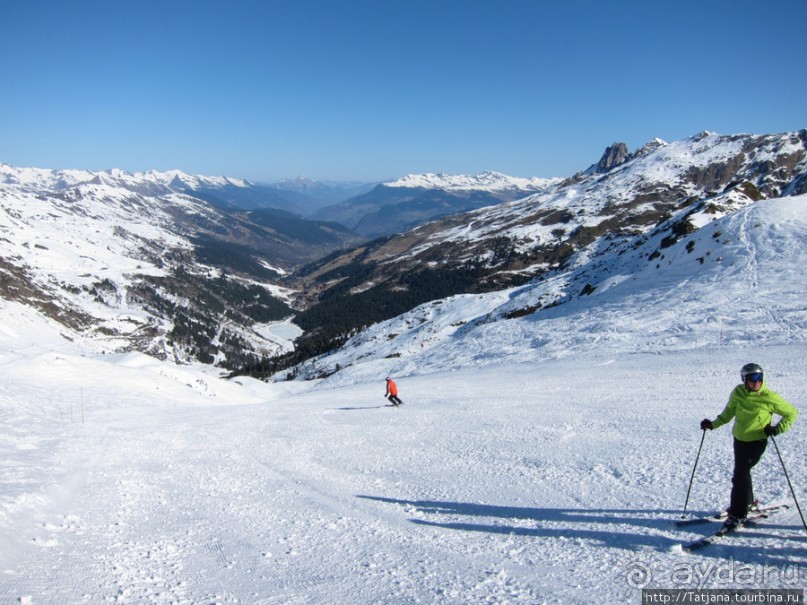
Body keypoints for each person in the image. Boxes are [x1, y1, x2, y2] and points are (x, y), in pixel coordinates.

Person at [700, 363, 798, 530]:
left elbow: (792, 413)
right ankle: (747, 503)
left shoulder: (768, 396)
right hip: (739, 440)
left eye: (759, 378)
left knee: (740, 475)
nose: (756, 382)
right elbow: (729, 412)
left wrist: (776, 429)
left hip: (757, 442)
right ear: (744, 379)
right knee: (742, 473)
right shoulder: (738, 392)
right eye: (752, 378)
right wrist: (713, 424)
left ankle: (737, 514)